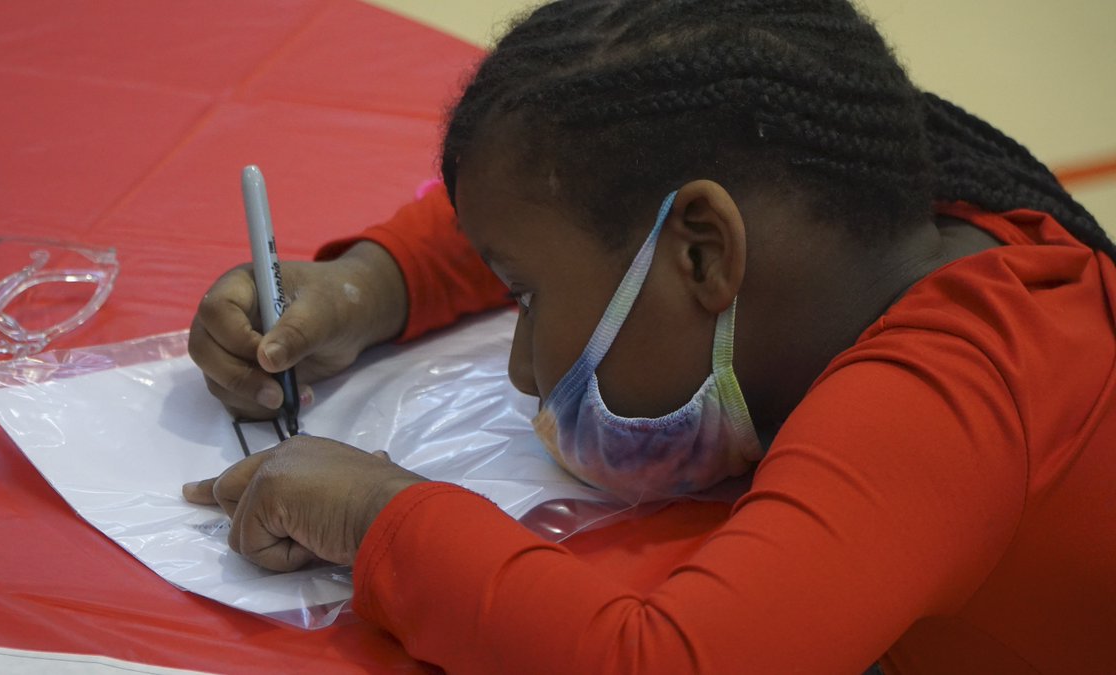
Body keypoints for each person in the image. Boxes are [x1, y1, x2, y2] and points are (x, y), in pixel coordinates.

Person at [183, 0, 1116, 671]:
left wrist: (376, 514)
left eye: (526, 300)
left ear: (705, 255)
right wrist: (374, 283)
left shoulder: (952, 391)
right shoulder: (866, 211)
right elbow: (574, 200)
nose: (519, 368)